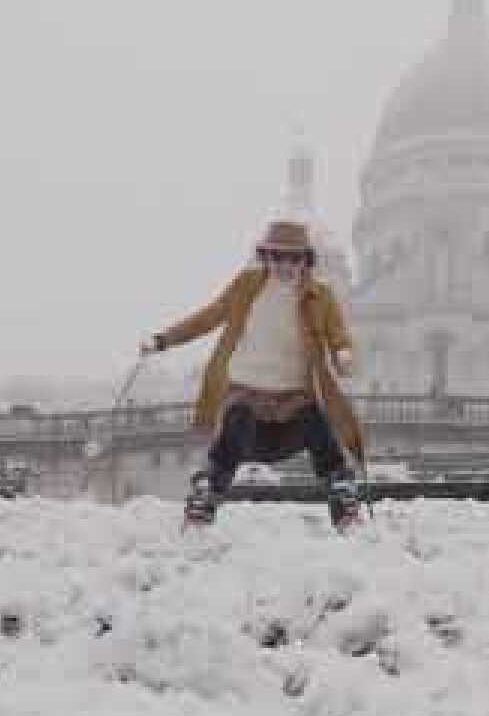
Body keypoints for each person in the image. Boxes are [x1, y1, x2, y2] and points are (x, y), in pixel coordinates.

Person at [140, 219, 365, 528]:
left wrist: (343, 354)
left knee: (317, 423)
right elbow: (208, 317)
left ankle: (341, 496)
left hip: (293, 401)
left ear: (306, 260)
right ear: (266, 257)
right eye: (277, 257)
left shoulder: (320, 296)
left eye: (294, 258)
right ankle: (207, 494)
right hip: (248, 394)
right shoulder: (246, 286)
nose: (285, 266)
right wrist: (163, 340)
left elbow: (338, 334)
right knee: (237, 420)